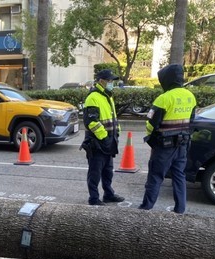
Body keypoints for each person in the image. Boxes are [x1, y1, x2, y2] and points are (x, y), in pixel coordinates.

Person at [139, 64, 196, 214]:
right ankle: (180, 209)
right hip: (182, 144)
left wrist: (151, 138)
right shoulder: (190, 96)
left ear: (167, 79)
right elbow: (191, 121)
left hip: (164, 146)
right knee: (179, 176)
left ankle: (146, 208)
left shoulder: (164, 98)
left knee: (156, 176)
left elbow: (152, 124)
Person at [80, 69, 125, 206]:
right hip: (97, 142)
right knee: (95, 173)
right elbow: (91, 122)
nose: (112, 83)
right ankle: (94, 199)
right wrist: (104, 137)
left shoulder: (107, 95)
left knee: (107, 171)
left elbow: (111, 117)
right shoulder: (93, 97)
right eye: (110, 80)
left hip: (109, 141)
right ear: (101, 81)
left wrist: (116, 132)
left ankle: (108, 194)